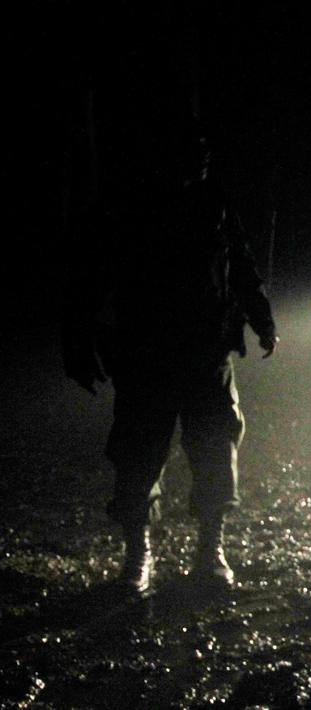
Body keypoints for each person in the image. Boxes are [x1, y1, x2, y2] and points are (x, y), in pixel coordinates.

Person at [62, 131, 277, 594]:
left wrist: (261, 317)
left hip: (206, 351)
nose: (198, 166)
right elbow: (90, 275)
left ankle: (210, 550)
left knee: (215, 448)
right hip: (145, 353)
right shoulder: (127, 206)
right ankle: (138, 555)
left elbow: (239, 264)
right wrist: (77, 341)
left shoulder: (214, 204)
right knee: (137, 455)